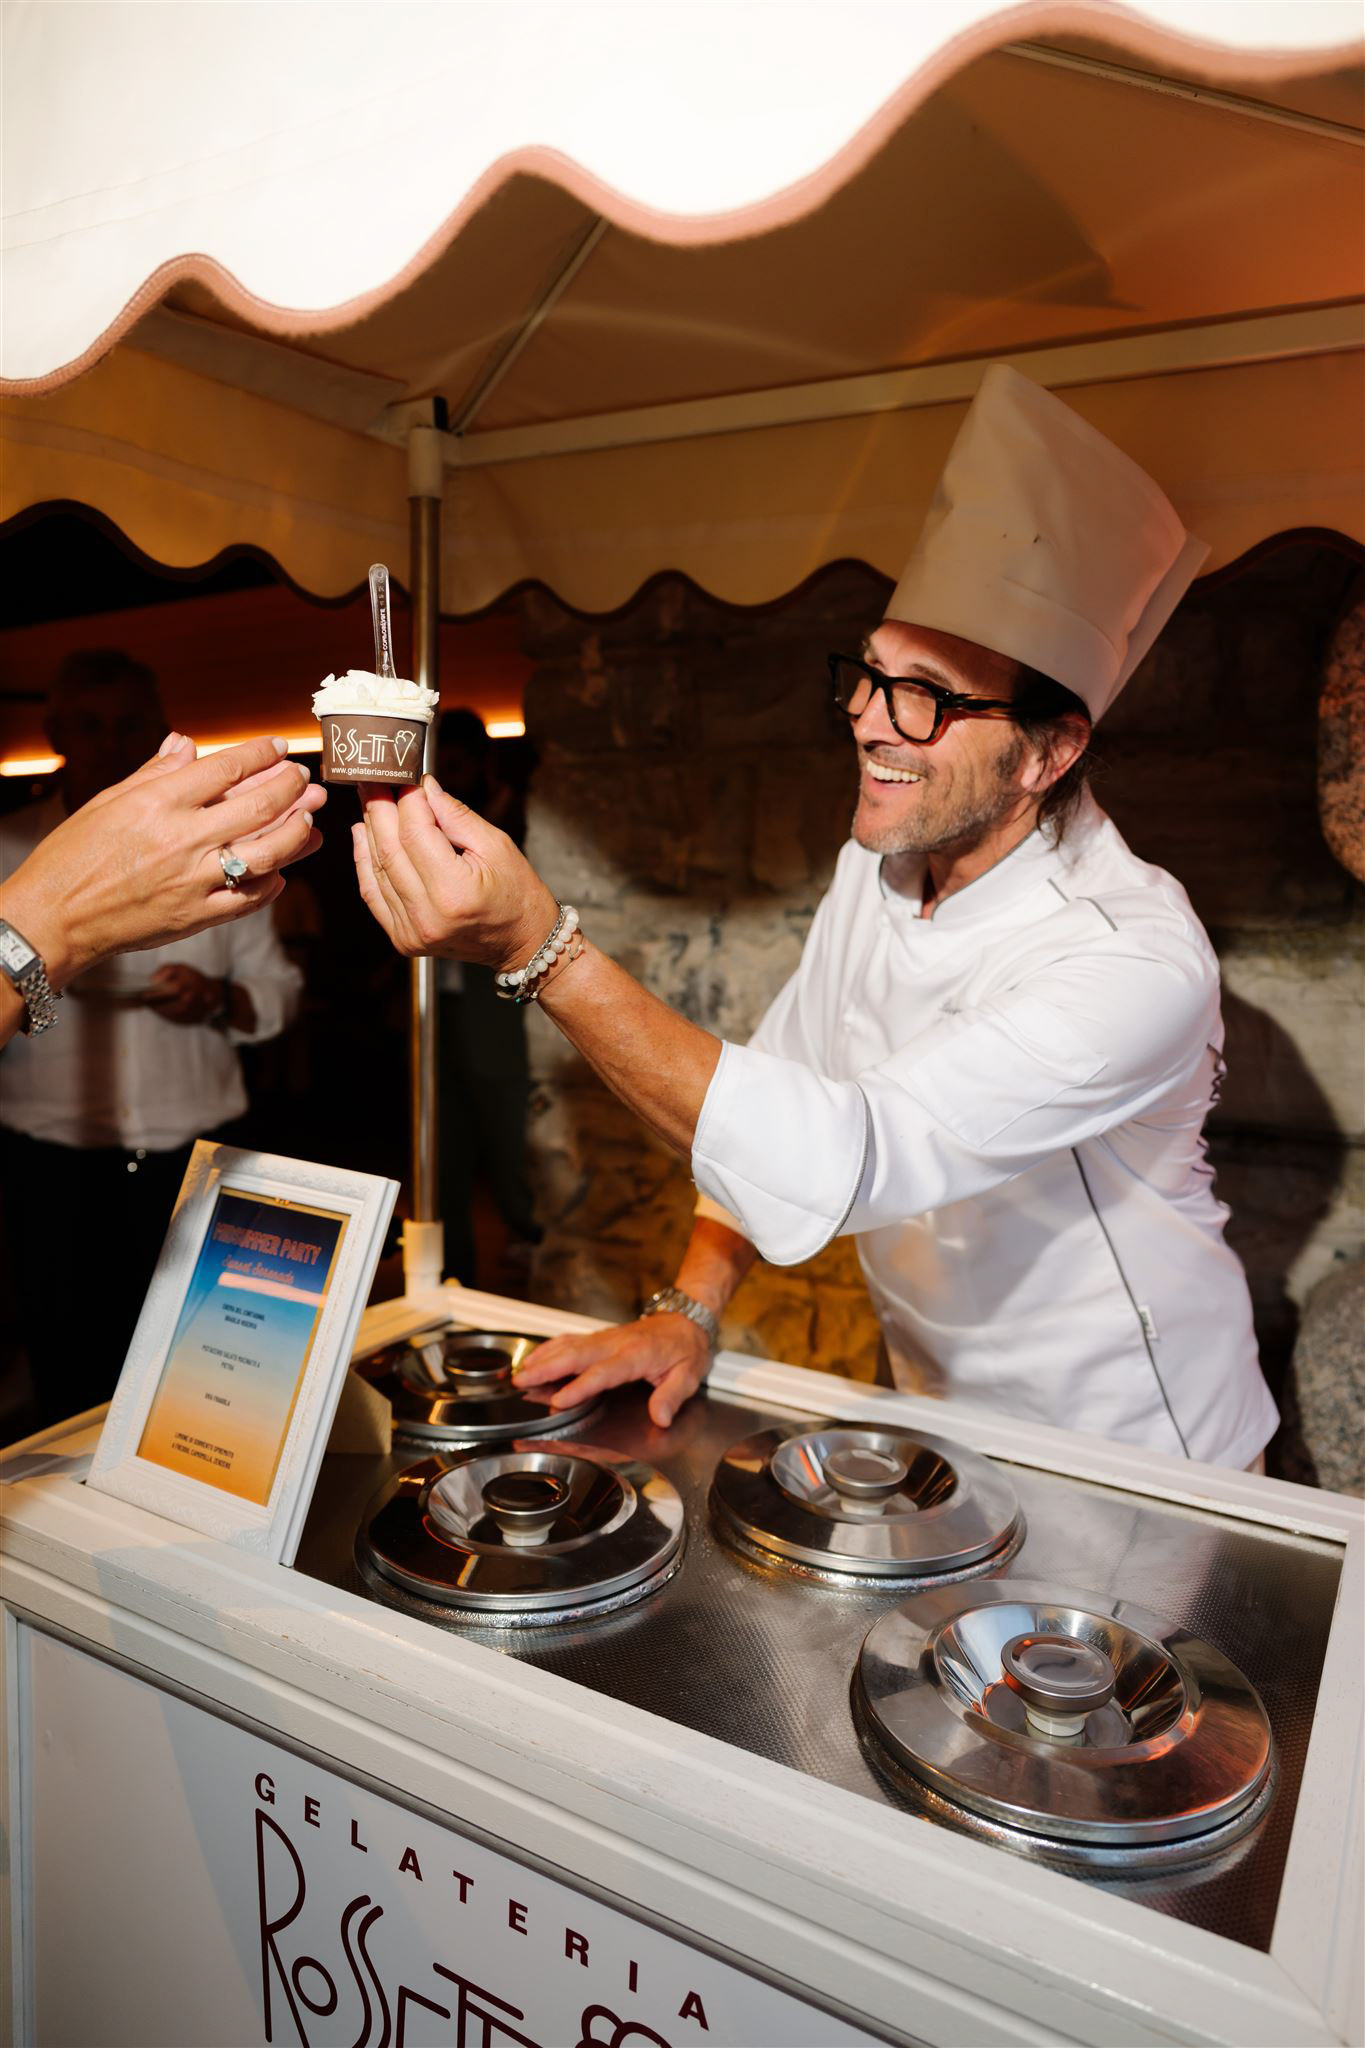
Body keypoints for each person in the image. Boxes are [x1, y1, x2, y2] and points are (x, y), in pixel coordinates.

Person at [351, 365, 1278, 1471]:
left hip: (1141, 1448)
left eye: (926, 696)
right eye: (870, 675)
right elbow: (780, 1084)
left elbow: (843, 1151)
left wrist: (540, 948)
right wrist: (688, 1310)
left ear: (1049, 752)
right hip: (943, 1417)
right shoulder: (877, 868)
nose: (869, 721)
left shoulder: (1130, 958)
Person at [0, 655, 325, 1418]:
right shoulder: (8, 851)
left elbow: (277, 994)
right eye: (90, 726)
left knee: (208, 1379)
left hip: (200, 1157)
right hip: (50, 1162)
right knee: (67, 1370)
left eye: (129, 726)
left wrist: (216, 998)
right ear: (56, 733)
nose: (110, 745)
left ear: (157, 730)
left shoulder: (218, 852)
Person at [433, 709, 540, 1285]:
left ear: (482, 764)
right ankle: (455, 1273)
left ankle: (530, 1249)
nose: (450, 780)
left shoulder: (520, 822)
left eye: (456, 766)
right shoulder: (430, 830)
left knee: (509, 1144)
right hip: (441, 1013)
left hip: (499, 1014)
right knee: (444, 1151)